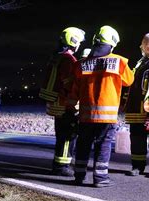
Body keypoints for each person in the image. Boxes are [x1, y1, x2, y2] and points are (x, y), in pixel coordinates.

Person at [68, 26, 134, 187]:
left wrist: (69, 108)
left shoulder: (81, 64)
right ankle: (100, 178)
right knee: (103, 145)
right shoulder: (119, 62)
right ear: (113, 43)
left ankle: (79, 175)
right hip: (107, 117)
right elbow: (129, 81)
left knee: (83, 144)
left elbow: (74, 90)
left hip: (85, 116)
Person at [39, 27, 85, 176]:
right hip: (65, 104)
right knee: (67, 136)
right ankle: (62, 167)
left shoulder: (56, 57)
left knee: (61, 135)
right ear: (74, 41)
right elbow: (68, 83)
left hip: (55, 103)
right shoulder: (68, 59)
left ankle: (58, 164)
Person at [124, 32, 149, 178]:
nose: (141, 46)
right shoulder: (143, 61)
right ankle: (137, 166)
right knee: (137, 139)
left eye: (143, 43)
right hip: (137, 111)